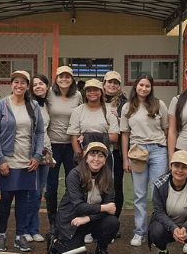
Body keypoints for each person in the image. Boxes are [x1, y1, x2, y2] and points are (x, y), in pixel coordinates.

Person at [0, 70, 45, 253]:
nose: (19, 85)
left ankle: (20, 237)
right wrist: (1, 159)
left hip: (27, 161)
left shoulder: (34, 106)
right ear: (11, 84)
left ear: (27, 86)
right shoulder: (1, 105)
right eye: (16, 82)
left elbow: (39, 132)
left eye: (23, 83)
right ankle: (1, 235)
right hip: (8, 161)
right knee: (6, 198)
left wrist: (37, 156)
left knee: (24, 199)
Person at [48, 142, 118, 254]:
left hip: (88, 219)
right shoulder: (74, 175)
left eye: (101, 156)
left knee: (113, 222)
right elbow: (79, 207)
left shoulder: (108, 177)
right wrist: (103, 208)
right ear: (86, 158)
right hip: (72, 221)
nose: (96, 159)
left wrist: (88, 218)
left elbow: (111, 209)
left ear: (105, 160)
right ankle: (56, 241)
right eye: (93, 155)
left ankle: (101, 249)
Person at [121, 74, 169, 247]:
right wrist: (126, 158)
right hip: (137, 152)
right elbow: (125, 134)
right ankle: (139, 232)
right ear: (136, 86)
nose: (144, 88)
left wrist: (169, 154)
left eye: (147, 86)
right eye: (141, 85)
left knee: (157, 192)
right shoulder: (128, 107)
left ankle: (158, 232)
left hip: (158, 150)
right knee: (139, 194)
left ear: (151, 88)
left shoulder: (159, 104)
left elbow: (166, 129)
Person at [44, 65, 83, 228]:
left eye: (67, 76)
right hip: (53, 144)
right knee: (51, 184)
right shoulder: (49, 94)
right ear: (56, 79)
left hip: (71, 145)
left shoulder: (78, 95)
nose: (64, 79)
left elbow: (82, 114)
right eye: (61, 76)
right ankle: (53, 219)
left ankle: (68, 217)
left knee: (72, 182)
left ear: (72, 79)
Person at [24, 73, 52, 243]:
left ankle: (34, 229)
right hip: (30, 152)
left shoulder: (47, 105)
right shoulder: (29, 105)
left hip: (46, 151)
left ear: (47, 86)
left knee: (38, 193)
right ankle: (25, 228)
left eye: (41, 84)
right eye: (35, 85)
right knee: (29, 192)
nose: (38, 87)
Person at [67, 79, 119, 162]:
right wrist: (79, 155)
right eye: (89, 90)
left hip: (104, 155)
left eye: (95, 90)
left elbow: (114, 137)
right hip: (84, 154)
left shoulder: (109, 111)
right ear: (85, 93)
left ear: (101, 92)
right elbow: (74, 137)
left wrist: (86, 136)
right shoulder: (77, 111)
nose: (92, 92)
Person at [103, 70, 128, 217]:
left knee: (116, 185)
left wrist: (118, 120)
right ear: (104, 84)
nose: (112, 85)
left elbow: (128, 126)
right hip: (96, 149)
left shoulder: (125, 103)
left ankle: (114, 220)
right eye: (109, 82)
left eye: (115, 83)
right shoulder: (95, 98)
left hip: (116, 151)